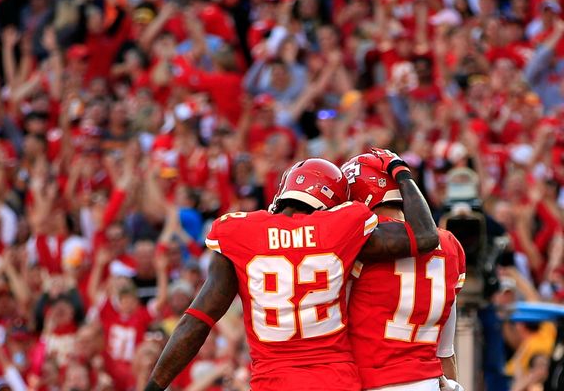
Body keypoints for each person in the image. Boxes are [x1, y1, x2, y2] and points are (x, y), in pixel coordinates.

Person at [143, 149, 440, 391]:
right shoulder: (342, 226)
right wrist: (400, 171)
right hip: (335, 381)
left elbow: (196, 322)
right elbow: (425, 236)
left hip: (273, 382)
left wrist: (154, 388)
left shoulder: (238, 231)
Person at [341, 153, 467, 391]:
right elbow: (445, 352)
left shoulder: (361, 243)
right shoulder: (450, 244)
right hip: (428, 382)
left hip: (370, 380)